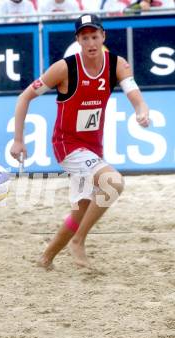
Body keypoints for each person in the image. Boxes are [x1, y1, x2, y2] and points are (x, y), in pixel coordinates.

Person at [10, 14, 150, 269]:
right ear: (78, 40)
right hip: (67, 144)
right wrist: (18, 140)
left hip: (93, 147)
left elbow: (133, 92)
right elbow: (24, 98)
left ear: (103, 36)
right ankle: (78, 241)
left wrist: (141, 109)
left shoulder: (117, 64)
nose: (91, 43)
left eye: (94, 36)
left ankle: (46, 258)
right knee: (113, 183)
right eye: (85, 38)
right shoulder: (64, 68)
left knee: (82, 208)